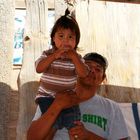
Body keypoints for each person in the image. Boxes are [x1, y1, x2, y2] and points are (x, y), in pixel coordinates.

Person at [27, 52, 130, 140]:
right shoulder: (52, 98)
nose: (92, 70)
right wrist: (57, 105)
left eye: (98, 69)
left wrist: (88, 136)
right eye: (88, 66)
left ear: (103, 79)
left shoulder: (112, 108)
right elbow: (32, 138)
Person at [34, 9, 89, 139]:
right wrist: (54, 56)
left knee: (74, 122)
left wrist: (74, 57)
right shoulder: (48, 54)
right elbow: (39, 68)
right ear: (53, 38)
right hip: (46, 97)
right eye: (61, 36)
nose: (66, 40)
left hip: (68, 97)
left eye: (70, 37)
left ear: (76, 41)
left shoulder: (77, 58)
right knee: (52, 122)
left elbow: (83, 74)